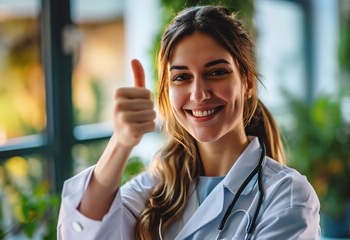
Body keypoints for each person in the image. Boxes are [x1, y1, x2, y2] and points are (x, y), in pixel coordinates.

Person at [57, 5, 320, 240]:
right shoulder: (154, 188)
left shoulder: (286, 195)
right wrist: (120, 143)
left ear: (248, 83)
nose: (199, 94)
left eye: (217, 72)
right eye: (182, 77)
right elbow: (83, 232)